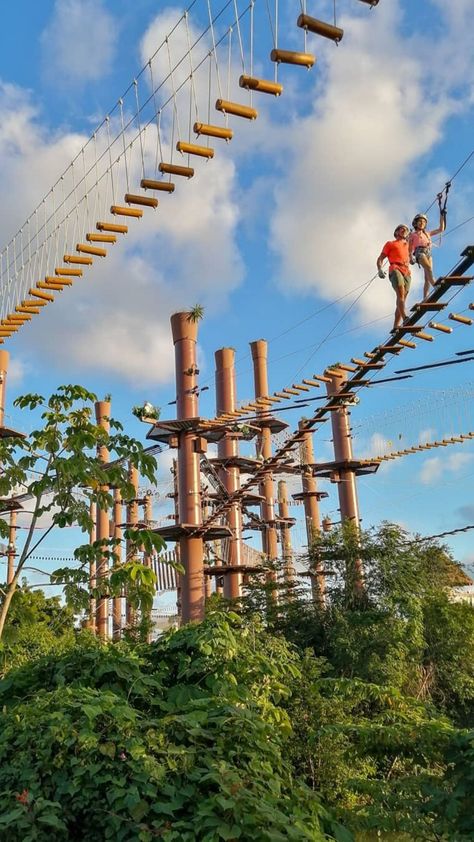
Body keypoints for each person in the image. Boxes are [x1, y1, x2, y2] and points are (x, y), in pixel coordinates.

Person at [376, 224, 411, 330]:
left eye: (406, 230)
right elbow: (380, 258)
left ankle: (396, 325)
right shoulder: (390, 244)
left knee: (403, 298)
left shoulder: (408, 244)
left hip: (407, 271)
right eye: (402, 229)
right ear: (396, 232)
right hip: (395, 268)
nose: (404, 230)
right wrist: (380, 269)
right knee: (400, 293)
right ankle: (405, 317)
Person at [408, 211, 446, 298]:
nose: (422, 223)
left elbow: (441, 229)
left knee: (427, 277)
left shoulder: (427, 233)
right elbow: (409, 248)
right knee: (428, 268)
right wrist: (410, 257)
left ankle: (425, 297)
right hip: (419, 252)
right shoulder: (412, 235)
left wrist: (442, 215)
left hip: (428, 253)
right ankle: (436, 285)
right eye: (420, 221)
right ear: (416, 223)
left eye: (424, 222)